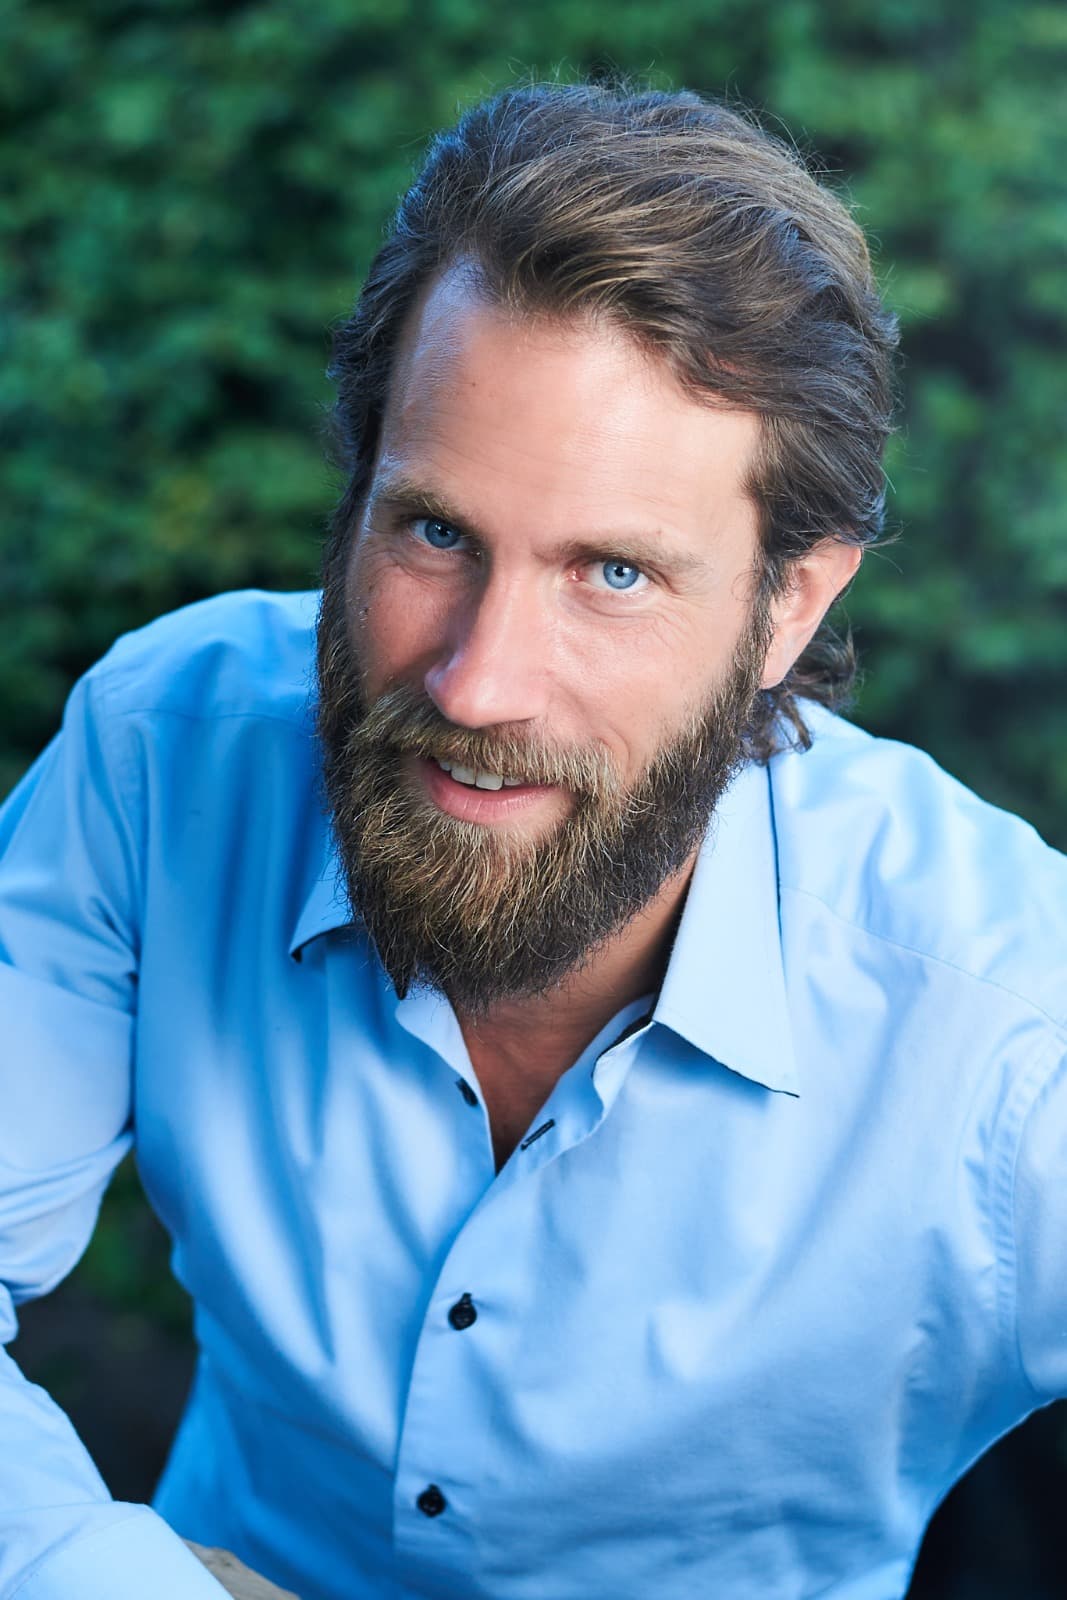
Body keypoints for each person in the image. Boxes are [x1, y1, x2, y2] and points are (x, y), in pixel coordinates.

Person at [1, 79, 1064, 1600]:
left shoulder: (1013, 1038)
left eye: (614, 573)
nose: (479, 683)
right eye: (434, 532)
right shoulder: (162, 756)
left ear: (791, 606)